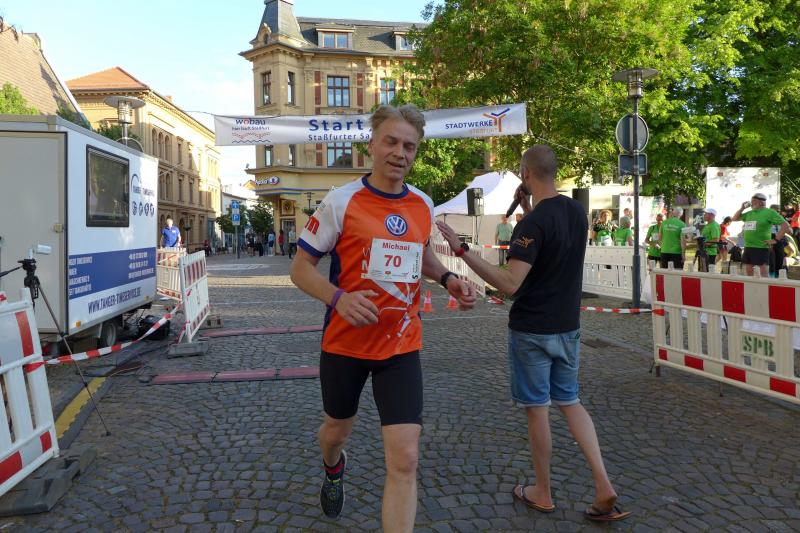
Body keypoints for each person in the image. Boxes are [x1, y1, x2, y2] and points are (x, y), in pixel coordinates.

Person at [289, 104, 476, 532]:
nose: (400, 153)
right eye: (391, 142)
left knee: (406, 457)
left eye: (409, 146)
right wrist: (338, 298)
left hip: (400, 345)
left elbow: (419, 255)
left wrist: (448, 278)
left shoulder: (422, 204)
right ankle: (333, 465)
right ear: (371, 144)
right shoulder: (341, 201)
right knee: (336, 431)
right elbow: (300, 268)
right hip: (346, 345)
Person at [437, 145, 631, 523]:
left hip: (532, 329)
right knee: (570, 402)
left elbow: (510, 282)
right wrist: (528, 210)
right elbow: (550, 242)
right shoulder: (576, 211)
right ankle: (603, 483)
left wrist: (462, 250)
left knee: (538, 409)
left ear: (525, 174)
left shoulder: (532, 224)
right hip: (567, 326)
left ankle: (542, 490)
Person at [731, 193, 790, 277]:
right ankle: (751, 285)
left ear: (762, 202)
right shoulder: (750, 213)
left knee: (763, 273)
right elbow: (734, 219)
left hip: (761, 247)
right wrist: (742, 208)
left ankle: (766, 285)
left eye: (754, 201)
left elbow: (785, 225)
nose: (751, 203)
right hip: (748, 246)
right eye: (751, 201)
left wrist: (775, 240)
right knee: (749, 271)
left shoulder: (769, 212)